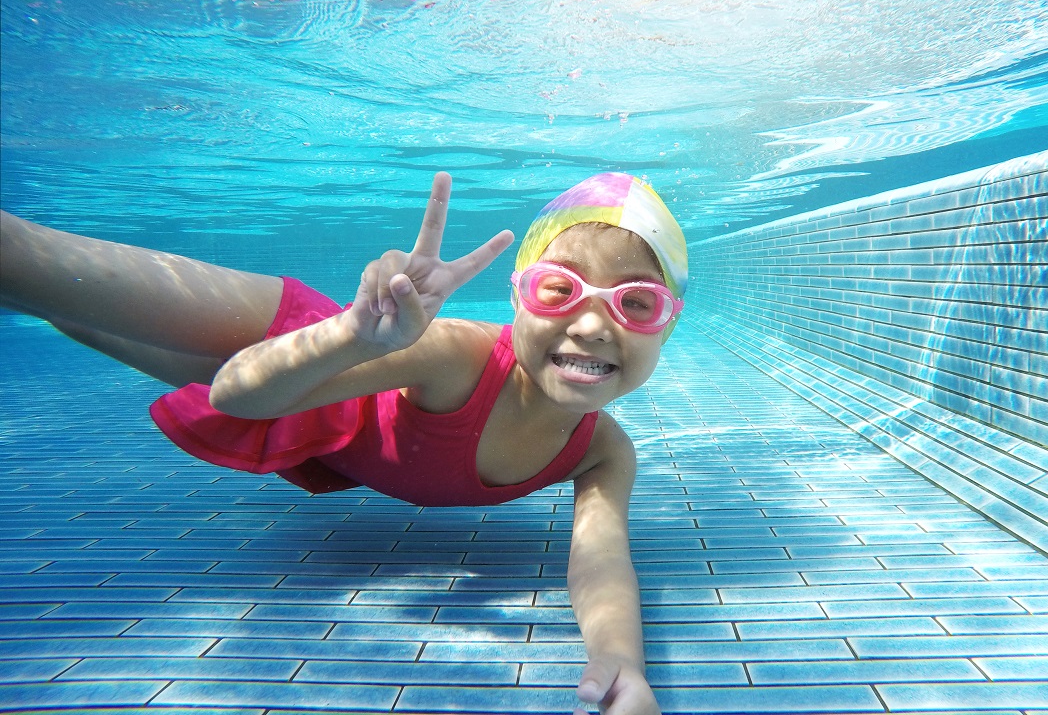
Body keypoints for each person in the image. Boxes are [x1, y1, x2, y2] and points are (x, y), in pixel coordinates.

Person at [0, 170, 688, 715]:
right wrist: (352, 335)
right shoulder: (455, 355)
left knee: (62, 313)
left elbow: (599, 564)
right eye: (559, 290)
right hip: (306, 346)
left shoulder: (603, 451)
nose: (594, 326)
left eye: (636, 302)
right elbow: (235, 394)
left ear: (666, 327)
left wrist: (621, 659)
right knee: (36, 266)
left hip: (310, 398)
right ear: (518, 298)